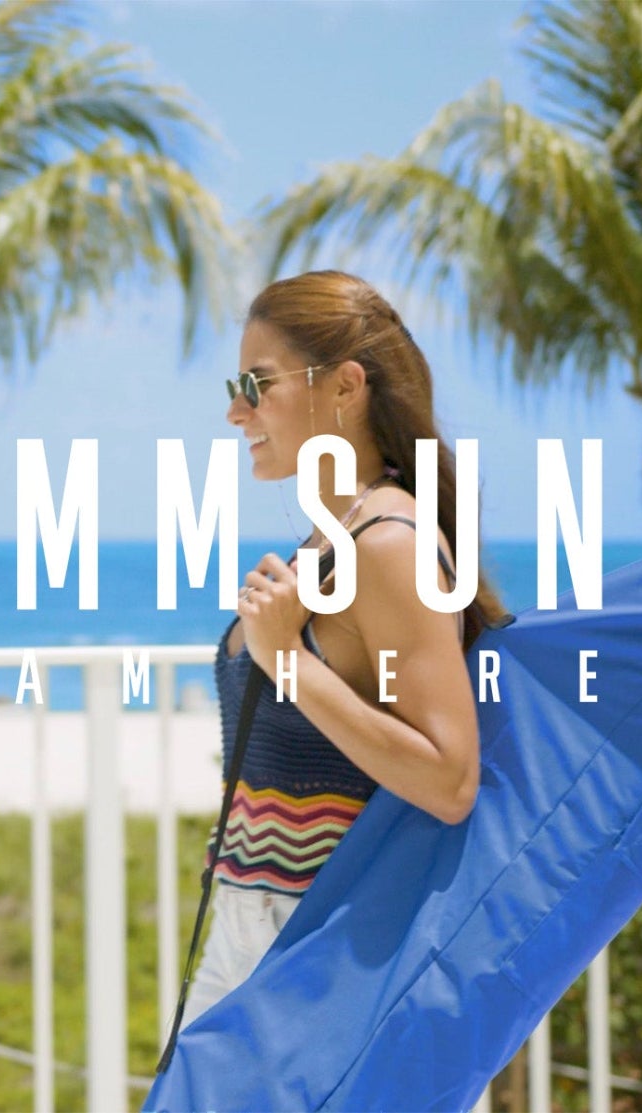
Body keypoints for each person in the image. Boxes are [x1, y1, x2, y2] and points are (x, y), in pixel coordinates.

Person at [178, 270, 509, 1030]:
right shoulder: (330, 542)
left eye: (255, 383)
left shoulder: (388, 544)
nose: (236, 410)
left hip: (321, 954)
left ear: (345, 386)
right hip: (253, 934)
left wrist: (284, 656)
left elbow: (450, 775)